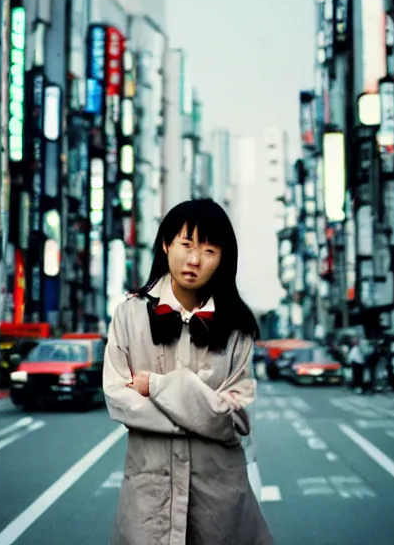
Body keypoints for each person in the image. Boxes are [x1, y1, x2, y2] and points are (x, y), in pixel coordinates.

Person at [103, 198, 274, 545]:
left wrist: (157, 386)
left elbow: (237, 419)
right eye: (186, 245)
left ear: (223, 259)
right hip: (149, 499)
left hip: (219, 500)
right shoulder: (129, 314)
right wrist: (202, 412)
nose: (195, 260)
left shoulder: (237, 327)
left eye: (209, 251)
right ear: (166, 245)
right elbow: (117, 398)